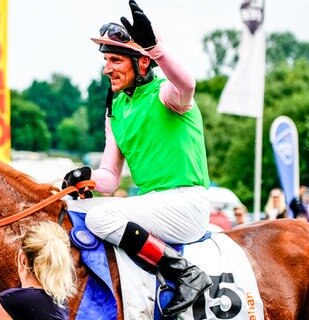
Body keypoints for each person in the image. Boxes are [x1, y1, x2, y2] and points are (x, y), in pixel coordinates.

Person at [61, 1, 212, 317]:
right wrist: (85, 177)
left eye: (115, 59)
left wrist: (156, 48)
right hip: (154, 205)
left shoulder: (166, 94)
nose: (107, 68)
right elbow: (109, 178)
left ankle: (185, 273)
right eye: (106, 60)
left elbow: (188, 84)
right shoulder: (115, 111)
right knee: (72, 208)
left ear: (142, 64)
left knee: (101, 219)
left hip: (187, 205)